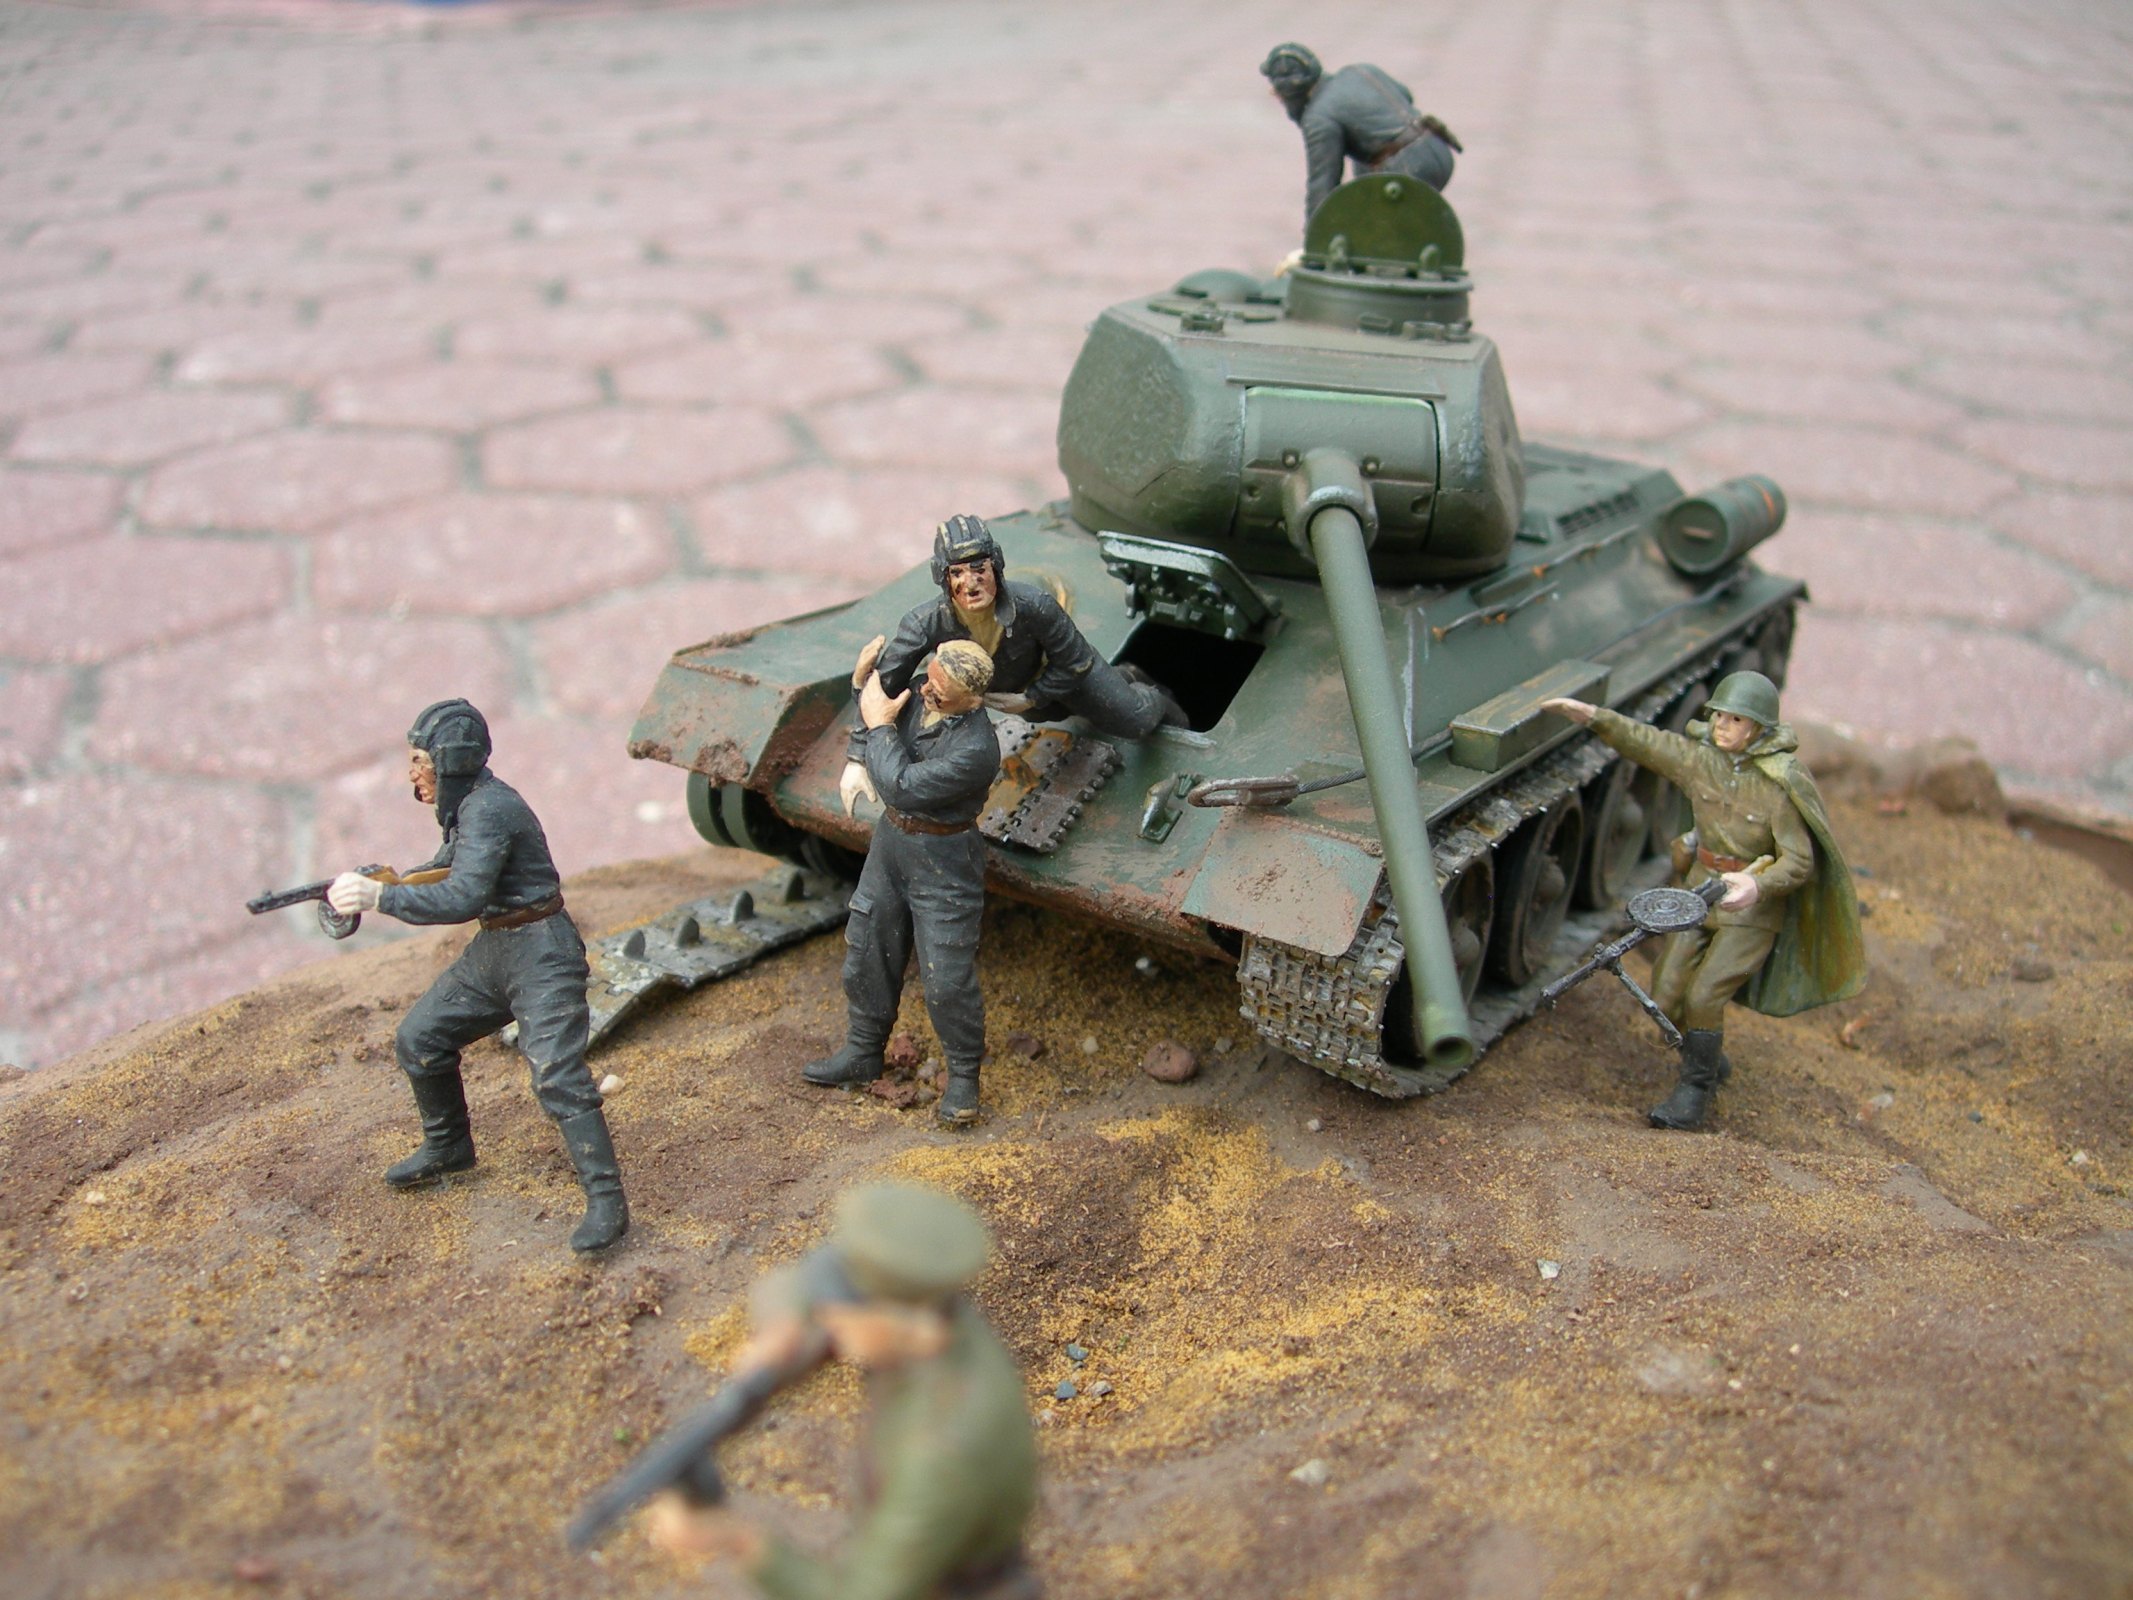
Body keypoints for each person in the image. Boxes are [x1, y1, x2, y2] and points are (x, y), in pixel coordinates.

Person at [326, 699, 627, 1251]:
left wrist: (381, 898)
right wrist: (388, 882)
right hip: (498, 946)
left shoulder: (490, 809)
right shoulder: (468, 805)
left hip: (543, 953)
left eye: (420, 761)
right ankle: (449, 1147)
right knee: (421, 1039)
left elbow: (462, 896)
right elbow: (449, 866)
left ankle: (607, 1200)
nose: (412, 774)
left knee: (557, 1075)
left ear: (450, 762)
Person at [647, 1182, 1041, 1600]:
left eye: (843, 1310)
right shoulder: (927, 1306)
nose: (826, 1316)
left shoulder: (939, 1451)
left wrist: (739, 1540)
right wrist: (781, 1331)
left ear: (906, 1324)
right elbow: (803, 1283)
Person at [1541, 671, 1865, 1130]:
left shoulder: (1779, 784)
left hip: (1750, 908)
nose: (1722, 726)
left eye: (1736, 720)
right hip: (1697, 893)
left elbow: (1799, 861)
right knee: (1665, 994)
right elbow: (1648, 743)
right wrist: (1595, 717)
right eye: (1718, 716)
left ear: (1759, 728)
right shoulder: (1701, 760)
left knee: (1705, 993)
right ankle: (1707, 1056)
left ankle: (1696, 1088)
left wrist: (1757, 886)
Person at [839, 514, 1182, 822]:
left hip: (1065, 673)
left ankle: (1149, 691)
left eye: (979, 569)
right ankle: (1117, 679)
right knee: (1056, 715)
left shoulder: (1034, 604)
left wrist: (1031, 696)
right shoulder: (924, 623)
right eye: (957, 573)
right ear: (943, 578)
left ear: (996, 567)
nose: (970, 583)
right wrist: (857, 757)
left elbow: (1076, 661)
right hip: (1015, 693)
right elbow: (883, 688)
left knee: (1132, 718)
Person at [808, 638, 1002, 1123]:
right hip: (892, 844)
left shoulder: (976, 749)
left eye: (939, 689)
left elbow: (900, 786)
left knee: (946, 978)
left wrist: (878, 727)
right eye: (929, 678)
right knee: (867, 946)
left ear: (972, 698)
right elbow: (879, 702)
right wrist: (861, 682)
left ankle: (963, 1076)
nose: (925, 690)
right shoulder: (921, 692)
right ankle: (862, 1050)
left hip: (944, 858)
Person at [1259, 42, 1460, 228]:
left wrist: (1315, 236)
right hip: (1437, 148)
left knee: (1374, 235)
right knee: (1366, 170)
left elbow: (1323, 183)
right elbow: (1405, 94)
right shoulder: (1359, 70)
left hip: (1409, 171)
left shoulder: (1318, 118)